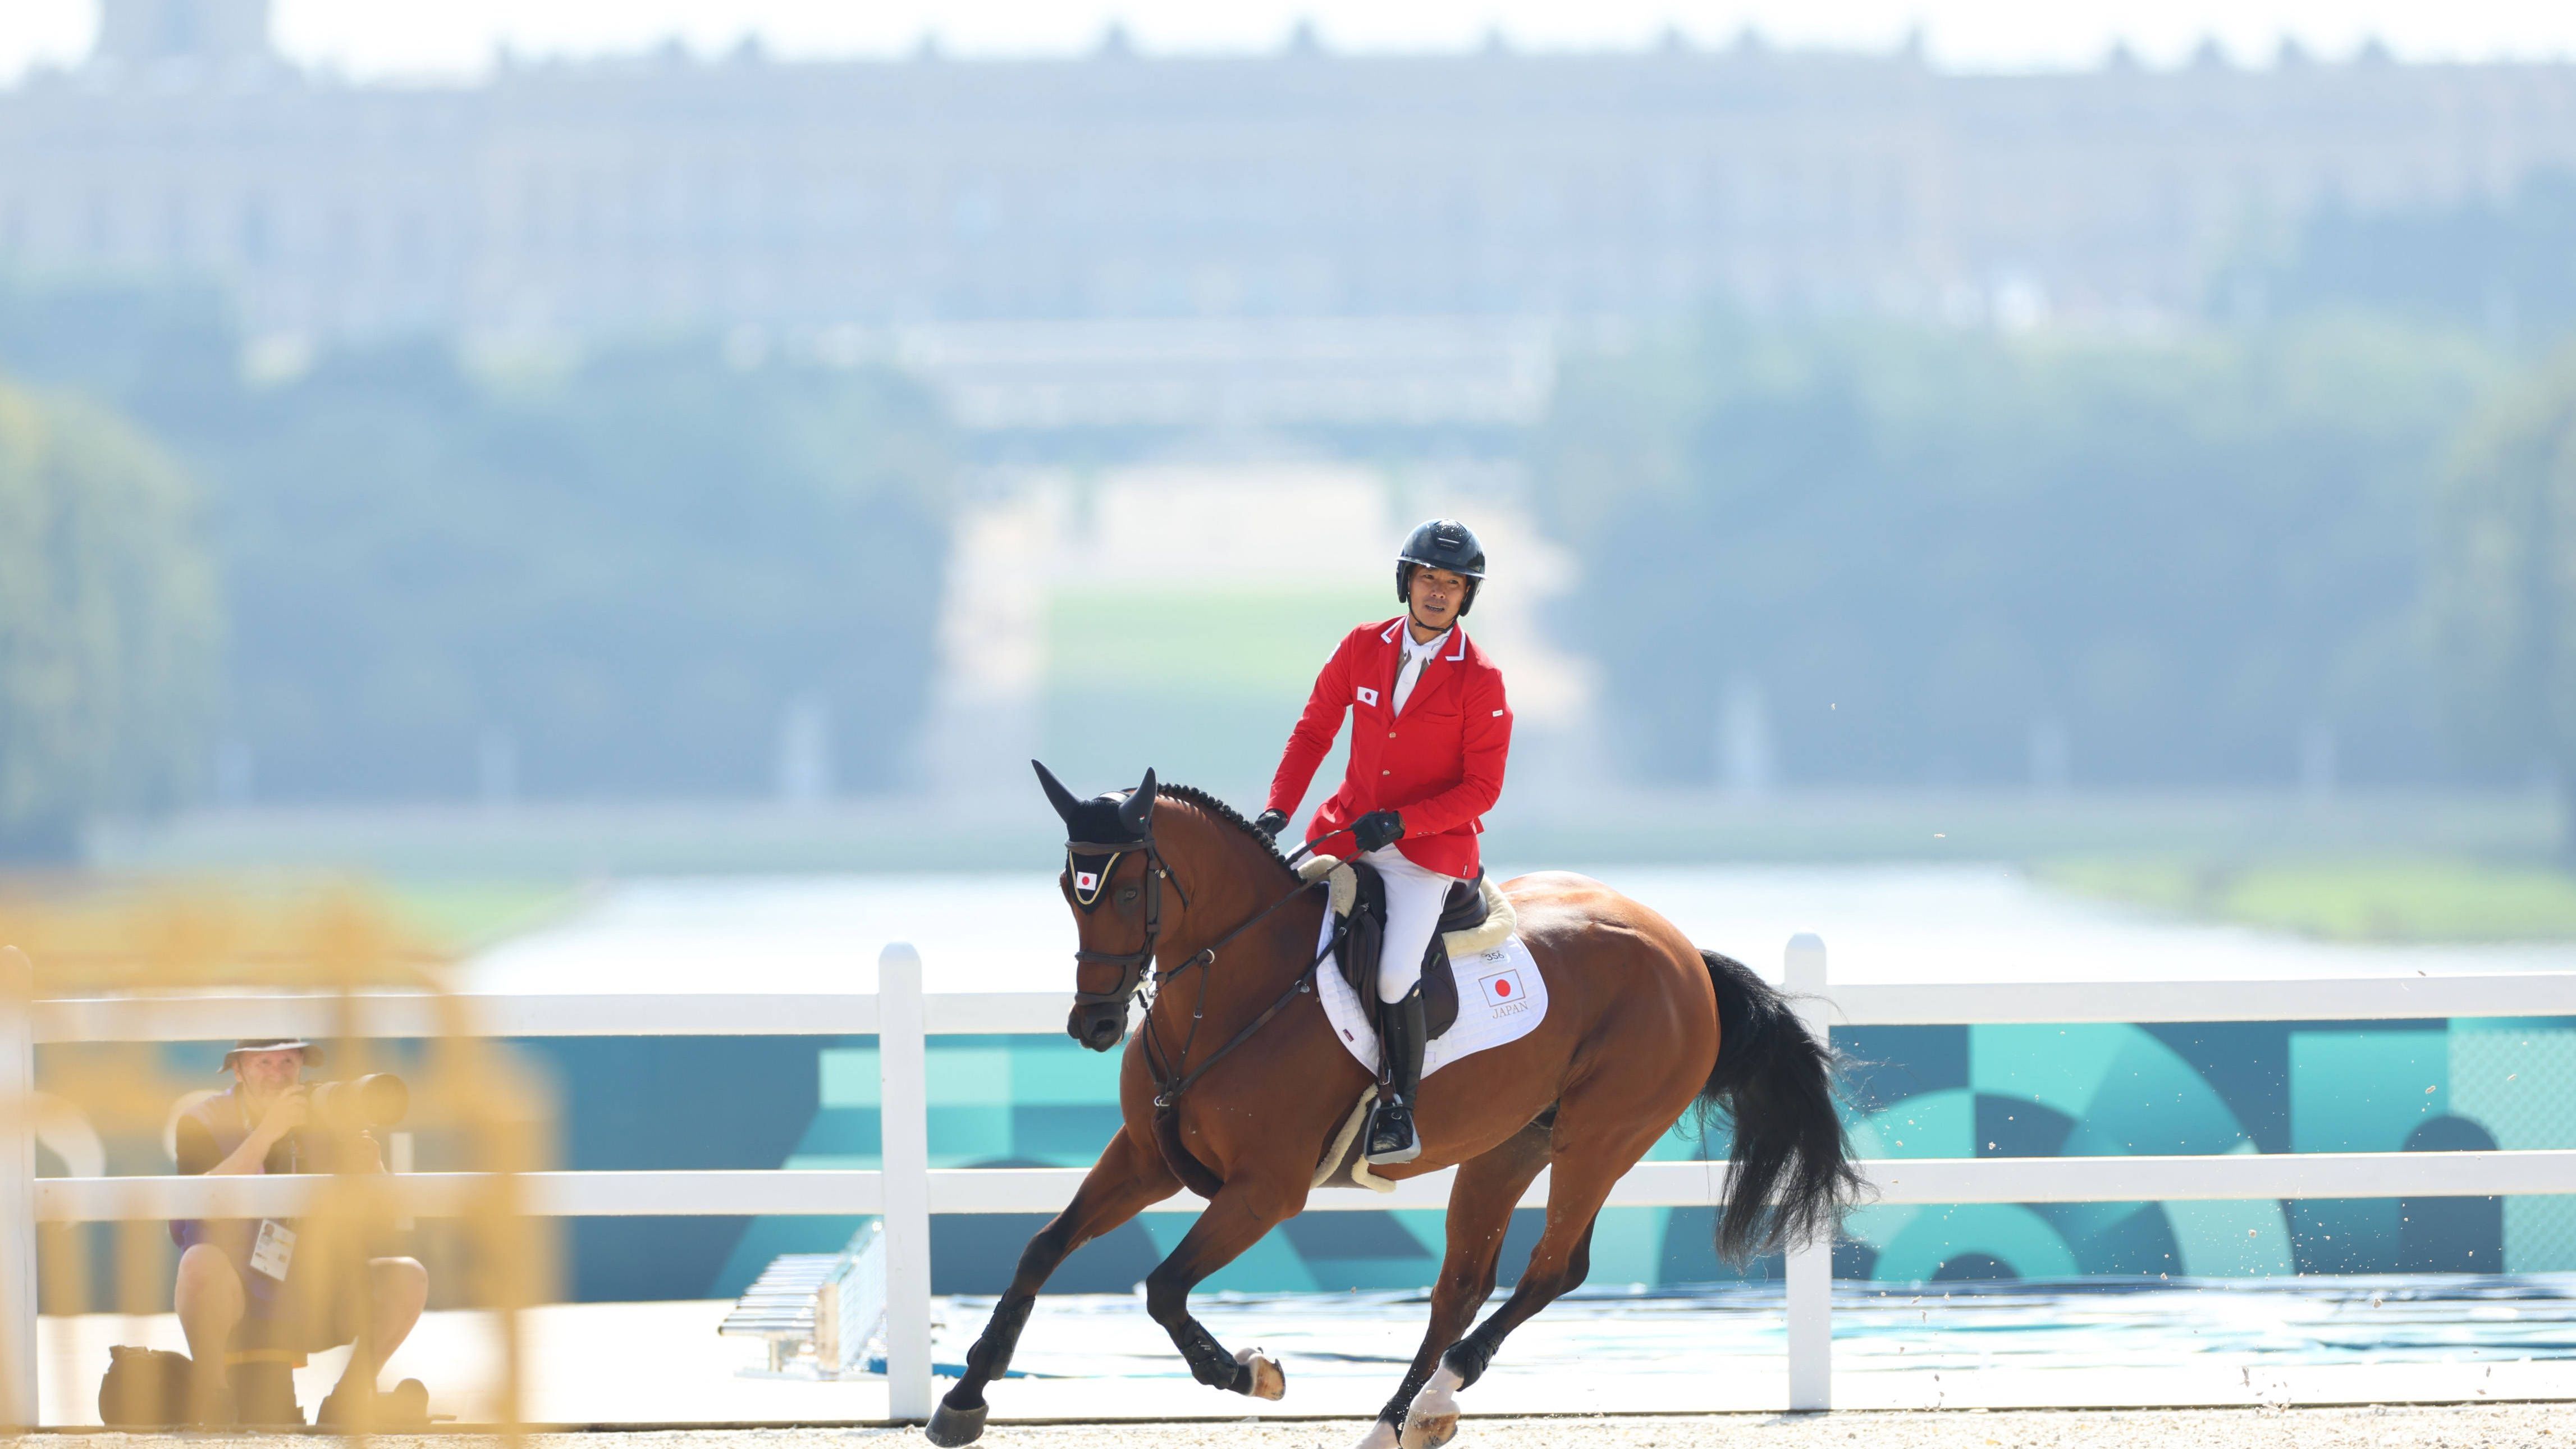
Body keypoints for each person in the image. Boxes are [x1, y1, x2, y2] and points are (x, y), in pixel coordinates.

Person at [1255, 519, 1512, 1164]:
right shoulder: (1362, 646)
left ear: (1464, 597)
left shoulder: (1479, 680)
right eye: (1428, 577)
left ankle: (1398, 1109)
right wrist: (1276, 810)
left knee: (1396, 973)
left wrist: (1403, 824)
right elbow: (1313, 730)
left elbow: (1483, 790)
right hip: (1346, 830)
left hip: (1425, 855)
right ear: (1407, 581)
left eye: (1452, 584)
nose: (1437, 592)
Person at [170, 1039, 428, 1427]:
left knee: (408, 1276)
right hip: (240, 1303)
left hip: (311, 1295)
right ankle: (214, 1400)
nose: (277, 1073)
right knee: (198, 1264)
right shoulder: (201, 1119)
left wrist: (372, 1169)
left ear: (302, 1065)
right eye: (264, 1062)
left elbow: (386, 1225)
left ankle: (351, 1400)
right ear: (237, 1069)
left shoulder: (326, 1113)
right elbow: (199, 1202)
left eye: (288, 1061)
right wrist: (267, 1132)